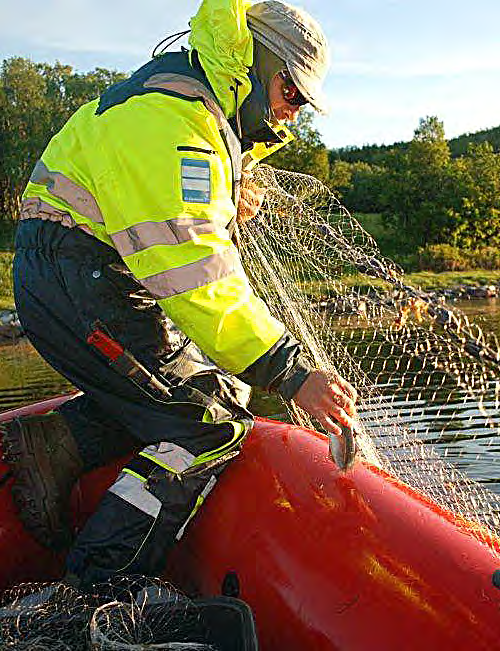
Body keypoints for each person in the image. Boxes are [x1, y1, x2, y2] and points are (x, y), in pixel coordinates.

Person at [1, 0, 357, 589]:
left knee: (195, 393)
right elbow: (197, 274)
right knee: (208, 420)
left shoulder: (188, 110)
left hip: (68, 274)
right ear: (256, 66)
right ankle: (98, 580)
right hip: (81, 278)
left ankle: (58, 443)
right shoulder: (179, 125)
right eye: (291, 95)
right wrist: (290, 373)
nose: (290, 118)